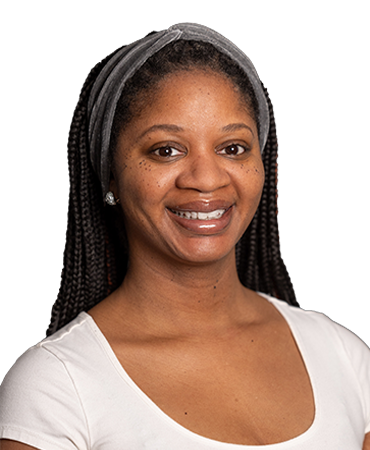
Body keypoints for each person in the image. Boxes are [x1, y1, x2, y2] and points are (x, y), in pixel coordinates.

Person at [0, 22, 369, 449]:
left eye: (233, 148)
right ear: (111, 176)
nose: (206, 179)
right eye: (166, 150)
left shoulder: (340, 354)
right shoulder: (57, 386)